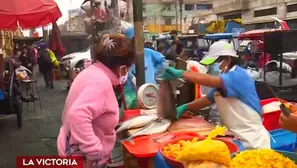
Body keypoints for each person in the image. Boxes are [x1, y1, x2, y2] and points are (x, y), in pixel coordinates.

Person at [160, 41, 270, 149]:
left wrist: (181, 73)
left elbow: (213, 81)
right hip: (236, 138)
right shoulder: (225, 79)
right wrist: (184, 108)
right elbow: (208, 99)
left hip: (253, 141)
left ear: (227, 59)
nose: (212, 66)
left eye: (215, 62)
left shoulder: (238, 76)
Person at [57, 34, 135, 168]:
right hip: (84, 159)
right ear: (122, 68)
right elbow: (77, 115)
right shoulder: (100, 82)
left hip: (72, 149)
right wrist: (94, 150)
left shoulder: (92, 72)